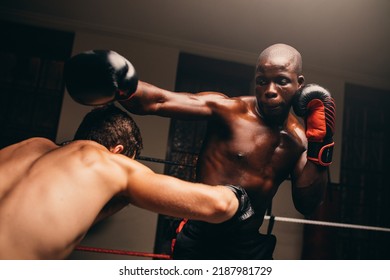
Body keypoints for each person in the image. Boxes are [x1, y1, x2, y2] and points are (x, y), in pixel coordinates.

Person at [64, 43, 336, 259]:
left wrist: (321, 144)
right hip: (201, 237)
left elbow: (308, 203)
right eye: (262, 81)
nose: (270, 91)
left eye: (281, 81)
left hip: (248, 247)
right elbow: (160, 101)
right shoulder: (230, 110)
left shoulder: (300, 140)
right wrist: (124, 87)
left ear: (300, 83)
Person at [0, 105, 254, 260]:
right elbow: (219, 206)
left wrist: (118, 200)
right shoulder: (107, 163)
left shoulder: (30, 145)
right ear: (118, 151)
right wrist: (239, 197)